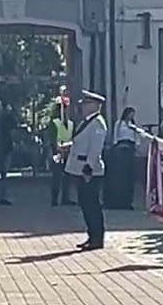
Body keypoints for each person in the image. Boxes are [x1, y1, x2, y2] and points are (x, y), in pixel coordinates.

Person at [66, 91, 108, 250]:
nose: (82, 107)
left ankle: (97, 238)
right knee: (85, 205)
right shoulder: (86, 122)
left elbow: (95, 148)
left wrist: (89, 168)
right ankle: (91, 235)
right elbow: (81, 142)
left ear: (95, 106)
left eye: (86, 104)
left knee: (92, 206)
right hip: (80, 168)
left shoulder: (97, 124)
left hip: (89, 171)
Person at [108, 107, 140, 209]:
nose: (131, 116)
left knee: (129, 174)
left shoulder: (133, 125)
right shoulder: (119, 123)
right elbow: (115, 135)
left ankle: (128, 201)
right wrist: (115, 144)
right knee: (119, 175)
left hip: (130, 146)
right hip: (121, 145)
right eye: (130, 113)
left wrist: (137, 145)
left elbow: (137, 136)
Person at [47, 102, 75, 206]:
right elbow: (52, 138)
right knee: (57, 177)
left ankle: (65, 198)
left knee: (67, 176)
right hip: (57, 152)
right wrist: (56, 150)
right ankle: (54, 199)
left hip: (68, 152)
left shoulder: (71, 123)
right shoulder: (54, 123)